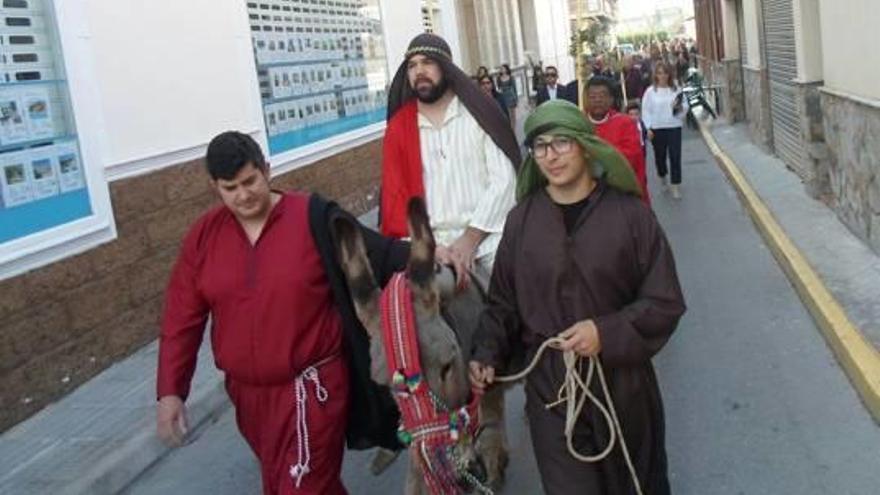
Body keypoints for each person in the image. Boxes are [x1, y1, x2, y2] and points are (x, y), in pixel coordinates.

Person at [156, 131, 408, 495]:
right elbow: (181, 318)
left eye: (250, 181)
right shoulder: (204, 237)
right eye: (230, 188)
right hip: (249, 399)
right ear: (215, 187)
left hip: (312, 389)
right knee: (284, 484)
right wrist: (170, 391)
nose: (243, 196)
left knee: (301, 486)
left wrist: (429, 254)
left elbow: (374, 253)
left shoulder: (312, 217)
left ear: (267, 171)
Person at [469, 100, 686, 495]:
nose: (550, 156)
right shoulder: (521, 222)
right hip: (551, 390)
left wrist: (606, 331)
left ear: (585, 147)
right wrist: (487, 351)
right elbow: (502, 301)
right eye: (540, 146)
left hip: (623, 385)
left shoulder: (631, 216)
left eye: (562, 143)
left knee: (636, 485)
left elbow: (665, 300)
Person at [381, 33, 519, 280]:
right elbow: (395, 199)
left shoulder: (478, 115)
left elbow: (504, 181)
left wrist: (470, 239)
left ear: (445, 67)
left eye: (427, 62)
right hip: (431, 247)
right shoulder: (399, 128)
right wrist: (428, 248)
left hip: (488, 238)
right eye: (412, 65)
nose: (419, 71)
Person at [584, 76, 650, 204]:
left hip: (622, 195)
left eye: (602, 96)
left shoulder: (625, 123)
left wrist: (593, 154)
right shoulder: (578, 124)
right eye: (592, 96)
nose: (597, 100)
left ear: (611, 99)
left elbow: (631, 157)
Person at [642, 61, 688, 199]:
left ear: (669, 74)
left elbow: (685, 106)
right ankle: (663, 177)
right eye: (659, 73)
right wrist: (648, 128)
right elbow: (646, 111)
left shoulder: (676, 89)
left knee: (675, 156)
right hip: (657, 128)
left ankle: (675, 185)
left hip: (674, 126)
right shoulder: (650, 92)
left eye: (665, 73)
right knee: (660, 157)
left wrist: (679, 108)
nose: (662, 76)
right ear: (655, 75)